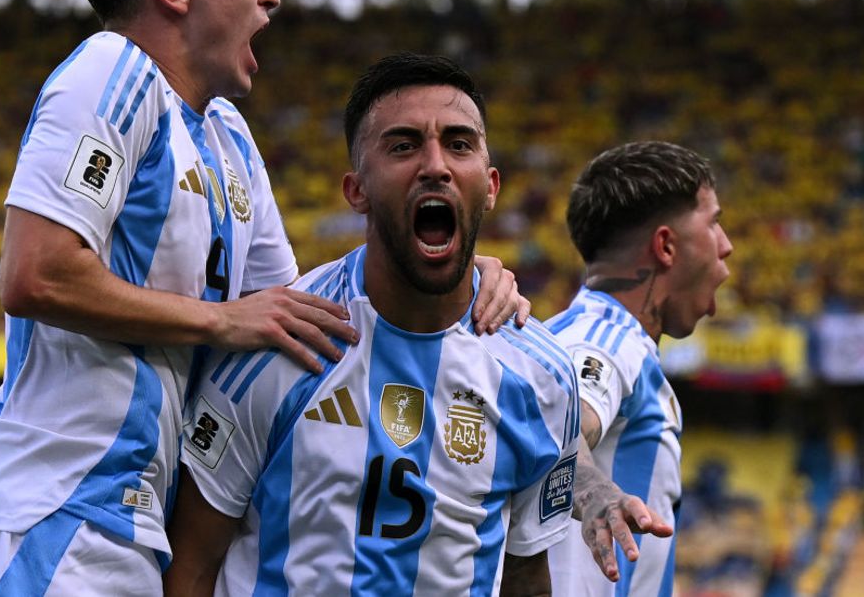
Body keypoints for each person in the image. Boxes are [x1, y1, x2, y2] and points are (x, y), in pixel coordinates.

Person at [0, 0, 524, 596]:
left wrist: (460, 273)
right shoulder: (112, 71)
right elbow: (35, 275)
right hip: (49, 513)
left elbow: (304, 313)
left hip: (128, 531)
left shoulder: (228, 138)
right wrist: (220, 319)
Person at [164, 54, 666, 595]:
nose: (435, 165)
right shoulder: (280, 339)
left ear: (491, 185)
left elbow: (525, 575)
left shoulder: (539, 374)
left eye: (459, 144)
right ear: (356, 190)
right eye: (403, 146)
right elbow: (193, 558)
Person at [547, 141, 733, 596]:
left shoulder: (581, 334)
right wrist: (592, 490)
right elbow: (555, 418)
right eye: (713, 223)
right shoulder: (604, 336)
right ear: (666, 246)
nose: (726, 247)